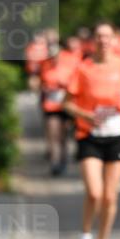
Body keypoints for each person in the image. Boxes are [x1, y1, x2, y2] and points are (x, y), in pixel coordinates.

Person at [64, 21, 120, 239]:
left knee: (109, 196)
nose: (103, 41)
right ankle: (85, 237)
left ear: (115, 40)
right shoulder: (83, 68)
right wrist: (87, 116)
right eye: (99, 36)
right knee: (94, 192)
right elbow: (67, 103)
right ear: (93, 41)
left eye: (108, 36)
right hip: (90, 135)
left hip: (117, 134)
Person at [39, 38, 80, 175]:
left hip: (66, 106)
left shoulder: (70, 63)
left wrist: (65, 85)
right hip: (51, 105)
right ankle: (55, 163)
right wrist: (45, 88)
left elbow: (76, 83)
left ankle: (63, 159)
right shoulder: (45, 65)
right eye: (50, 56)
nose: (52, 58)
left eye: (55, 55)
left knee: (63, 135)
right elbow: (41, 82)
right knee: (53, 133)